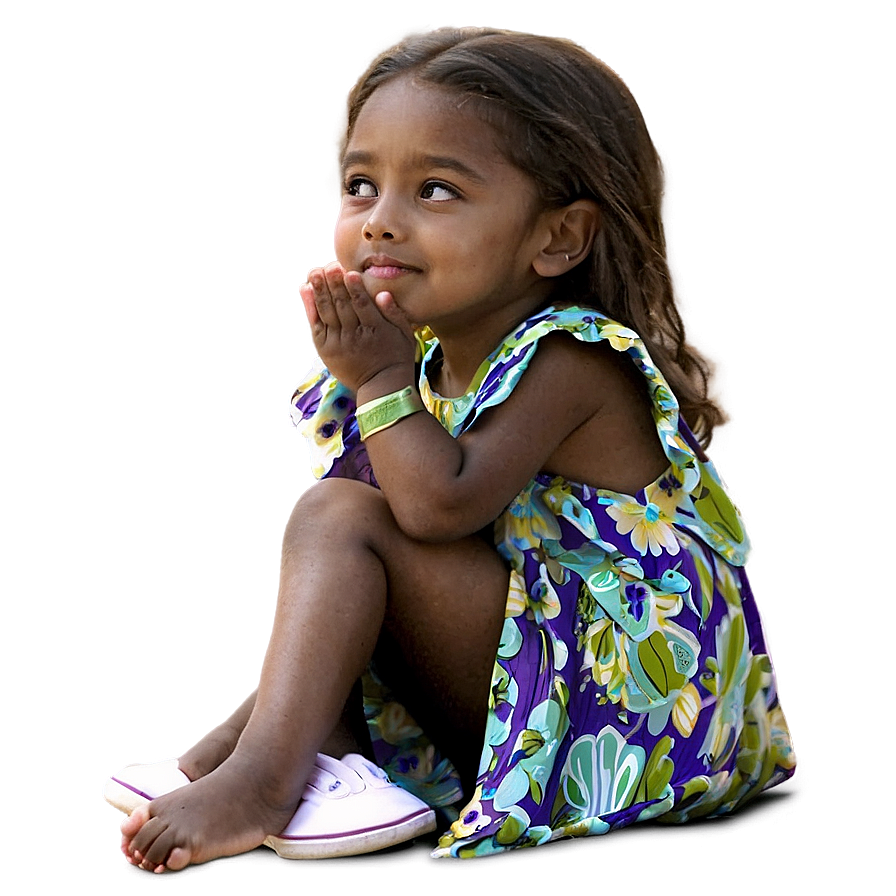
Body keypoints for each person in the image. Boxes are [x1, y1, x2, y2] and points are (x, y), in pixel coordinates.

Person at [108, 26, 796, 872]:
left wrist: (379, 383)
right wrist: (389, 379)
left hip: (636, 711)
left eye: (435, 191)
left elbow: (436, 509)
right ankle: (275, 751)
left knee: (337, 516)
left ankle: (262, 776)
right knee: (351, 531)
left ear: (558, 239)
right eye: (361, 185)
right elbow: (385, 546)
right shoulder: (433, 361)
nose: (381, 225)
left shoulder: (572, 357)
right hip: (540, 675)